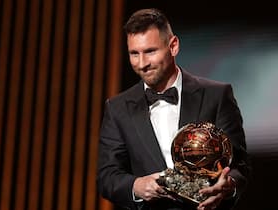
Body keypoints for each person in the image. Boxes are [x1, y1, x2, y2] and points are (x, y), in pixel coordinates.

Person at [97, 8, 249, 210]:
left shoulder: (217, 96)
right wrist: (136, 186)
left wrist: (228, 185)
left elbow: (240, 166)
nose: (142, 64)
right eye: (134, 54)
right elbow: (107, 176)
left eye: (150, 51)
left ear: (173, 46)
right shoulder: (117, 108)